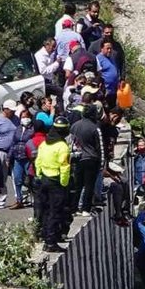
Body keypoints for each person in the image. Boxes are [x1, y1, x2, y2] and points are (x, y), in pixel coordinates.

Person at [33, 119, 73, 252]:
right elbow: (65, 167)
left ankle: (45, 239)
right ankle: (51, 242)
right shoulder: (62, 146)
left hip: (43, 179)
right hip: (55, 181)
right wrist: (64, 183)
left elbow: (38, 161)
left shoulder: (44, 144)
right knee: (55, 212)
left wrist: (39, 175)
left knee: (45, 211)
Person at [69, 106, 105, 213]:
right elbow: (100, 147)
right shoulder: (95, 128)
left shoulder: (74, 126)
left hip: (77, 159)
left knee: (78, 185)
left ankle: (74, 208)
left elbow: (70, 143)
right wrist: (102, 164)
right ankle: (86, 209)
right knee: (89, 185)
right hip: (91, 159)